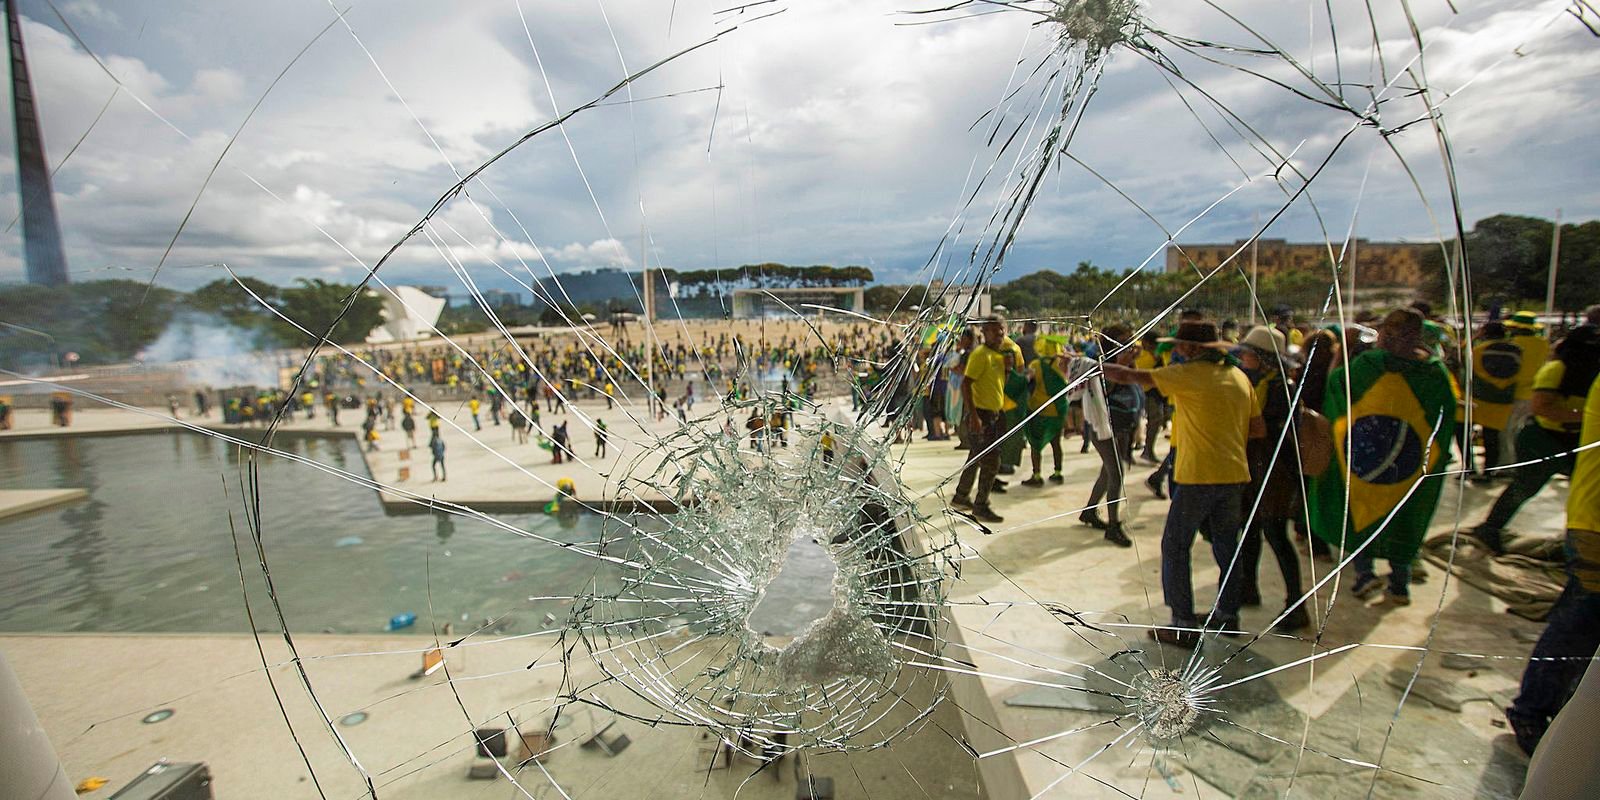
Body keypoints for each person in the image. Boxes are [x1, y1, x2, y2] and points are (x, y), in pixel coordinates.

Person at [1105, 320, 1256, 646]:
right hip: (1234, 474)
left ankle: (1183, 623)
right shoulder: (1239, 377)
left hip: (1198, 475)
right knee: (1227, 547)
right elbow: (1256, 429)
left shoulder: (1189, 375)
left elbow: (1130, 377)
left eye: (1179, 345)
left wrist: (1090, 366)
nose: (1175, 350)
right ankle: (1228, 615)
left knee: (1175, 546)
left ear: (1192, 349)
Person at [1309, 308, 1456, 606]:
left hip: (1365, 459)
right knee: (1403, 515)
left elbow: (1337, 384)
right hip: (1408, 464)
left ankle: (1365, 574)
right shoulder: (1434, 371)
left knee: (1361, 511)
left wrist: (1345, 351)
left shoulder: (1369, 364)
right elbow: (1444, 417)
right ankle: (1399, 584)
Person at [1505, 371, 1600, 757]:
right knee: (1581, 620)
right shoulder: (1558, 369)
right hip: (1594, 522)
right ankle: (1533, 710)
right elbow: (1544, 404)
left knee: (1580, 618)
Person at [1470, 324, 1599, 552]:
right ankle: (1489, 528)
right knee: (1525, 486)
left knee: (1586, 492)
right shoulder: (1558, 369)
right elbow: (1541, 407)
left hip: (1576, 440)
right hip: (1543, 439)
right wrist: (1588, 416)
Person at [1231, 326, 1310, 632]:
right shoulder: (1263, 382)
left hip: (1274, 472)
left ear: (1262, 358)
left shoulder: (1279, 388)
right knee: (1250, 530)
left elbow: (1265, 430)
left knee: (1276, 534)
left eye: (1248, 352)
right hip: (1258, 468)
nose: (1243, 357)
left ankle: (1296, 604)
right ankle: (1248, 588)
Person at [1081, 326, 1139, 547]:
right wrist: (1121, 366)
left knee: (1107, 472)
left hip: (1122, 423)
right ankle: (1113, 525)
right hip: (1102, 425)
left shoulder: (1124, 360)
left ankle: (1089, 510)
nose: (1129, 346)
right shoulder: (1099, 362)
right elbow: (1101, 390)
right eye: (1124, 342)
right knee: (1116, 472)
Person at [951, 316, 1010, 524]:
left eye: (1002, 331)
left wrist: (1008, 369)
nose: (1000, 335)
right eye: (995, 331)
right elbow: (966, 384)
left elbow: (997, 386)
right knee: (991, 462)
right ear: (985, 332)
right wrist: (974, 417)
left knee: (976, 457)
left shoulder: (998, 356)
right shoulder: (980, 355)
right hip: (981, 415)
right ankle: (980, 505)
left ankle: (961, 496)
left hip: (993, 414)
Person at [1467, 321, 1518, 481]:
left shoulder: (1477, 351)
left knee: (1462, 432)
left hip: (1477, 399)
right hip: (1503, 400)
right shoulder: (1517, 350)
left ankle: (1470, 468)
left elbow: (1465, 369)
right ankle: (1489, 471)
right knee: (1492, 437)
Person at [1021, 336, 1068, 487]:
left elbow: (1028, 381)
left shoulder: (1036, 364)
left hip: (1040, 408)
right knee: (1056, 443)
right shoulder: (1062, 365)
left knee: (1035, 443)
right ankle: (1058, 472)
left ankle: (1036, 475)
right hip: (1059, 409)